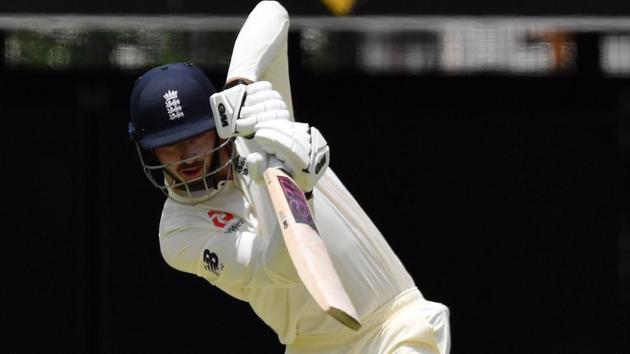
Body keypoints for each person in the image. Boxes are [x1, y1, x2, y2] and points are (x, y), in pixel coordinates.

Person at [128, 2, 451, 353]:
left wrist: (241, 84)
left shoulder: (260, 121)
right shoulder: (179, 231)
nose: (187, 155)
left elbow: (272, 11)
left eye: (194, 137)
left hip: (394, 326)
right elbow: (277, 271)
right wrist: (303, 188)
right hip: (311, 346)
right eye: (169, 147)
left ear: (216, 124)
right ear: (150, 151)